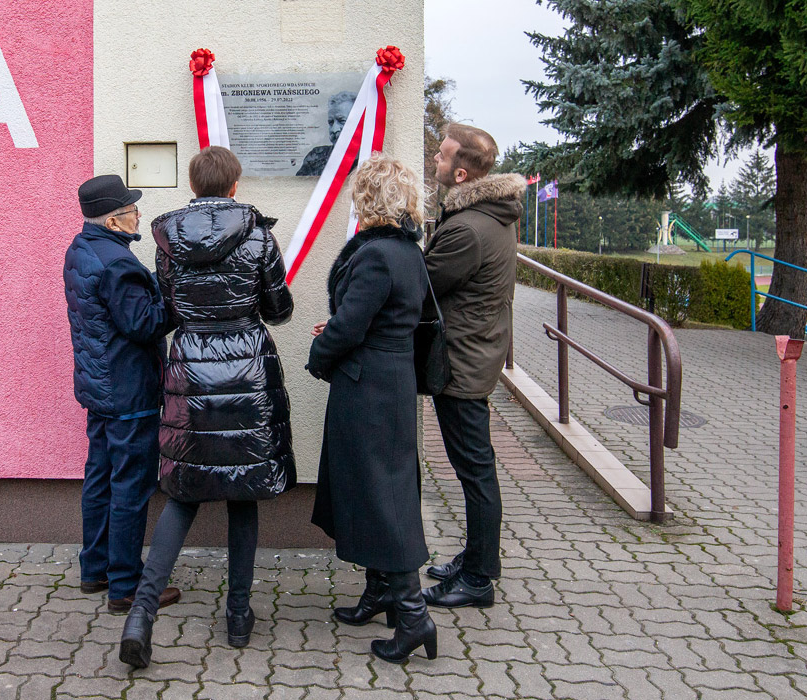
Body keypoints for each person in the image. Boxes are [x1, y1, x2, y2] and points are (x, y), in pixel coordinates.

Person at [119, 146, 295, 669]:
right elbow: (279, 309)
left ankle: (141, 615)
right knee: (243, 492)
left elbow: (168, 309)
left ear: (195, 186)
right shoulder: (259, 235)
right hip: (246, 370)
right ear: (234, 186)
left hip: (191, 369)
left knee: (183, 493)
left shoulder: (168, 241)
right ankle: (238, 616)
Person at [307, 152, 437, 664]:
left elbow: (350, 327)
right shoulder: (406, 252)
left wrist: (322, 352)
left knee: (382, 496)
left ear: (369, 199)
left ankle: (413, 615)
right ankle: (382, 591)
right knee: (375, 487)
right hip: (389, 383)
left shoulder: (378, 254)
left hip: (370, 393)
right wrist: (344, 330)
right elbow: (384, 320)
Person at [63, 174, 181, 613]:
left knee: (99, 478)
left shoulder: (81, 250)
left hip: (100, 386)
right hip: (129, 390)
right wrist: (174, 298)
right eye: (132, 211)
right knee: (130, 486)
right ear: (114, 221)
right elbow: (143, 324)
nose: (138, 216)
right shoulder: (118, 264)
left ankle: (94, 570)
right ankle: (126, 587)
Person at [420, 124, 526, 609]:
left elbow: (421, 284)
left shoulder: (466, 229)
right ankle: (475, 557)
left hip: (463, 361)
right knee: (473, 468)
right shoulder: (488, 216)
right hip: (476, 351)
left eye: (441, 158)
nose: (435, 163)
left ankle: (480, 577)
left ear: (461, 172)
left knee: (476, 471)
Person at [296, 91, 357, 176]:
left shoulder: (369, 158)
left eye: (342, 121)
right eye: (331, 122)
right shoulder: (315, 158)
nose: (334, 129)